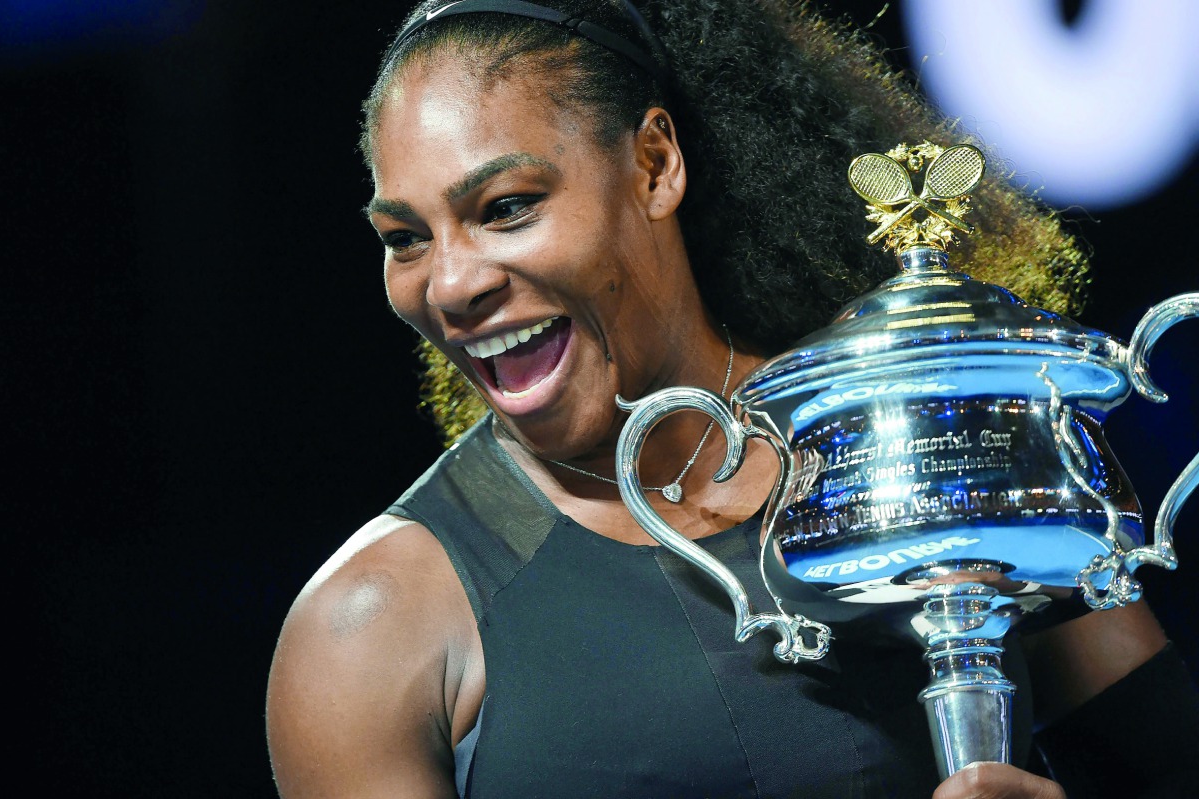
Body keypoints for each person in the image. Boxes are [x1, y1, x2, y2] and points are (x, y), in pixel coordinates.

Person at [266, 2, 1198, 797]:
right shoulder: (369, 631)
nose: (450, 284)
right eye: (404, 237)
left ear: (655, 165)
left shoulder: (929, 430)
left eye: (506, 206)